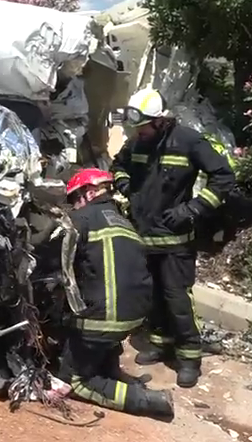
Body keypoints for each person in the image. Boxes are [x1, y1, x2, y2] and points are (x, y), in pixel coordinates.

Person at [111, 88, 236, 388]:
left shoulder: (188, 141)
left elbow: (224, 177)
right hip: (145, 236)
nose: (138, 133)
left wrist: (193, 209)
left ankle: (189, 357)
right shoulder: (138, 142)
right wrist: (126, 184)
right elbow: (117, 166)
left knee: (177, 297)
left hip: (176, 239)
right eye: (136, 128)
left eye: (143, 127)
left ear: (160, 122)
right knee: (152, 295)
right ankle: (159, 343)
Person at [55, 168, 175, 421]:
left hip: (104, 319)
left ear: (88, 192)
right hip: (132, 317)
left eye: (74, 198)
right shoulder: (124, 222)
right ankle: (109, 367)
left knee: (76, 381)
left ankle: (152, 401)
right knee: (98, 329)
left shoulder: (81, 219)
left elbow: (56, 263)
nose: (74, 206)